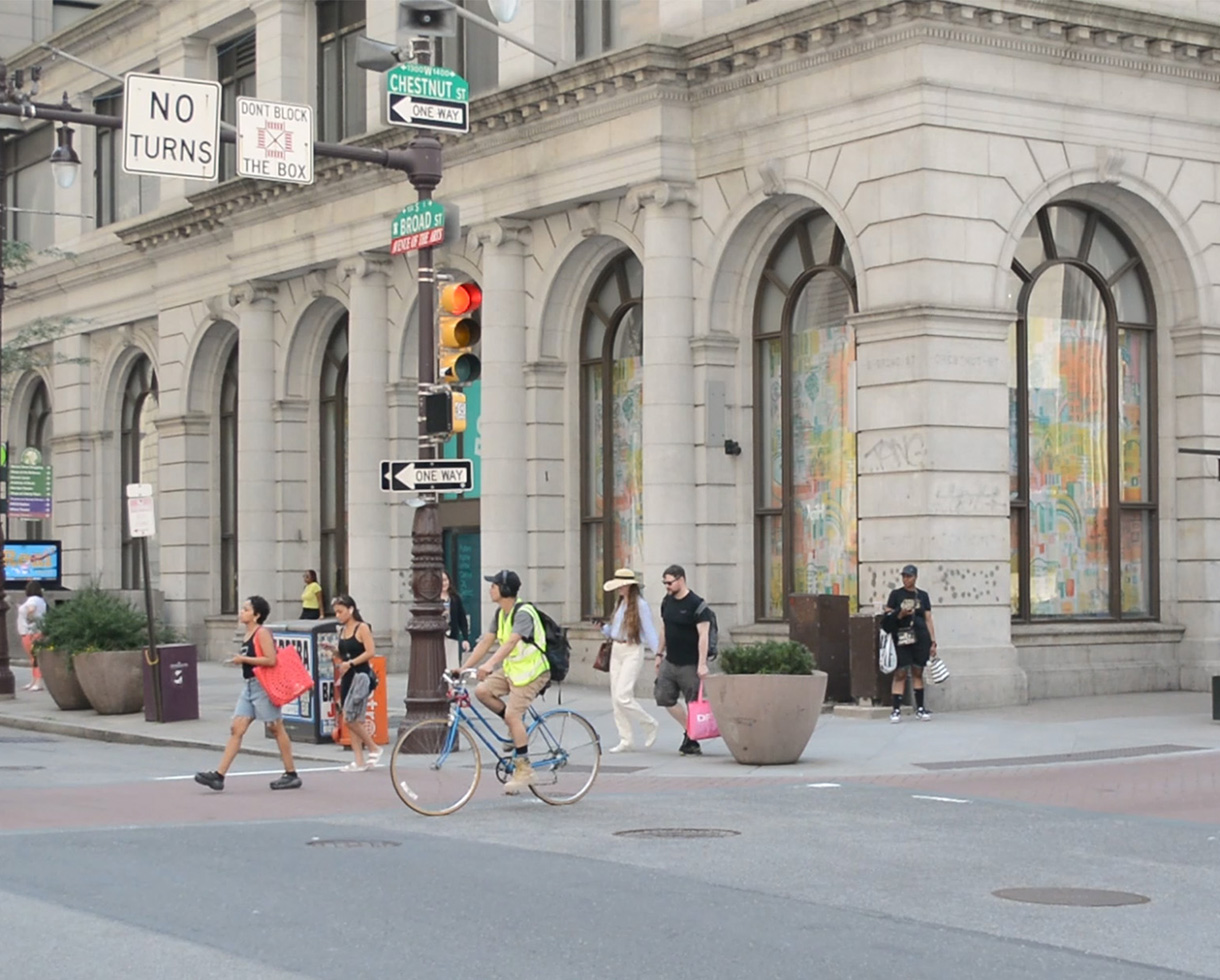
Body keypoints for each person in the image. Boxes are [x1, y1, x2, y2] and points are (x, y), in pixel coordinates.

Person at [195, 596, 302, 791]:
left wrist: (243, 659)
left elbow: (271, 660)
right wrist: (241, 660)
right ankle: (218, 776)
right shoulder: (248, 633)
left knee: (276, 728)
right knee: (237, 728)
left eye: (246, 609)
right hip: (250, 686)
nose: (241, 612)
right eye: (242, 609)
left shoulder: (262, 633)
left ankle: (291, 773)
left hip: (263, 687)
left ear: (257, 615)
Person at [458, 569, 550, 795]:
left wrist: (489, 665)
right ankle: (517, 728)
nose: (490, 588)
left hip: (533, 673)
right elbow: (486, 642)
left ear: (505, 589)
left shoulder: (523, 613)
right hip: (513, 672)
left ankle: (525, 769)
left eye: (494, 585)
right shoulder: (500, 614)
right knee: (481, 691)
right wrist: (464, 668)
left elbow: (510, 643)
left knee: (512, 715)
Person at [600, 567, 660, 753]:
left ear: (628, 586)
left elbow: (649, 631)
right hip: (617, 649)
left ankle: (649, 723)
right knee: (615, 698)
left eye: (621, 586)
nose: (619, 589)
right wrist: (604, 628)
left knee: (623, 695)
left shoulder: (640, 605)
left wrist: (659, 653)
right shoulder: (620, 605)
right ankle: (626, 739)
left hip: (632, 649)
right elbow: (615, 630)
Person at [655, 564, 713, 756]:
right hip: (670, 661)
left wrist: (702, 664)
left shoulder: (697, 605)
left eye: (670, 582)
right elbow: (664, 628)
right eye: (665, 583)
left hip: (690, 664)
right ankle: (690, 731)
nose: (667, 587)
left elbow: (703, 634)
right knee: (663, 696)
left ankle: (692, 739)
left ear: (681, 579)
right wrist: (658, 653)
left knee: (693, 703)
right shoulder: (667, 602)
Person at [328, 594, 382, 771]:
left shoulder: (362, 627)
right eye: (336, 612)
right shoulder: (343, 630)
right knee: (349, 716)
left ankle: (373, 747)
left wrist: (350, 663)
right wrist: (334, 652)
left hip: (361, 675)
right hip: (348, 675)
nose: (338, 615)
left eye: (340, 611)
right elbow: (344, 654)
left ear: (351, 610)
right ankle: (358, 760)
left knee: (351, 716)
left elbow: (370, 651)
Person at [883, 564, 938, 723]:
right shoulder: (896, 594)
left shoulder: (923, 596)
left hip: (920, 637)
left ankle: (920, 707)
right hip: (902, 636)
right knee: (900, 672)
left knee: (917, 670)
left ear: (915, 577)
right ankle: (896, 709)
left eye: (909, 576)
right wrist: (900, 613)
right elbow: (888, 615)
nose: (906, 579)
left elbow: (928, 618)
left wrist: (933, 641)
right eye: (904, 576)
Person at [16, 582, 47, 692]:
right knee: (34, 657)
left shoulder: (32, 599)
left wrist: (28, 617)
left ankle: (37, 682)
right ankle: (34, 681)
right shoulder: (40, 600)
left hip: (30, 632)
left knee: (34, 658)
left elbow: (31, 609)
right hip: (36, 631)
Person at [442, 570, 471, 671]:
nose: (443, 583)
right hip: (438, 638)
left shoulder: (455, 598)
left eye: (445, 580)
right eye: (440, 581)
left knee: (452, 665)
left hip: (452, 637)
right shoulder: (433, 599)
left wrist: (465, 638)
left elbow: (462, 619)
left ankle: (451, 686)